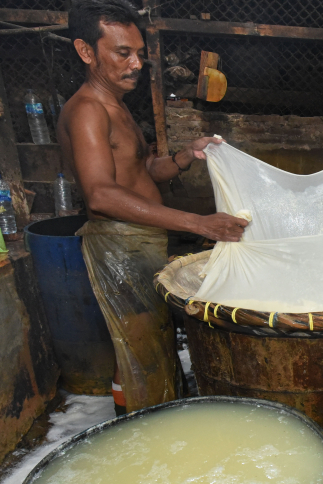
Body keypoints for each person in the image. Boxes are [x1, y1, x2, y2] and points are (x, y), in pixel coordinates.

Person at [58, 0, 248, 414]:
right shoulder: (88, 110)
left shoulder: (116, 105)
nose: (136, 63)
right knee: (139, 351)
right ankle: (140, 429)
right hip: (118, 245)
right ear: (86, 51)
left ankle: (154, 421)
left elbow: (139, 170)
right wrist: (199, 222)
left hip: (141, 241)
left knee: (151, 347)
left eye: (140, 53)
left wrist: (184, 156)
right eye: (122, 52)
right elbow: (102, 195)